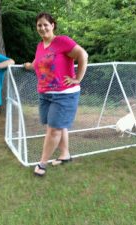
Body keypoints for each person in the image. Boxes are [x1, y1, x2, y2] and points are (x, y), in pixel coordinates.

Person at [24, 12, 88, 176]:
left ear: (53, 25)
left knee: (54, 130)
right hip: (45, 94)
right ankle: (65, 154)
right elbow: (39, 63)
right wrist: (30, 66)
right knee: (57, 126)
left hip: (64, 94)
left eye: (46, 24)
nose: (42, 27)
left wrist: (77, 78)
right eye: (39, 25)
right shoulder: (40, 46)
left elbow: (83, 55)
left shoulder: (62, 41)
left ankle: (42, 164)